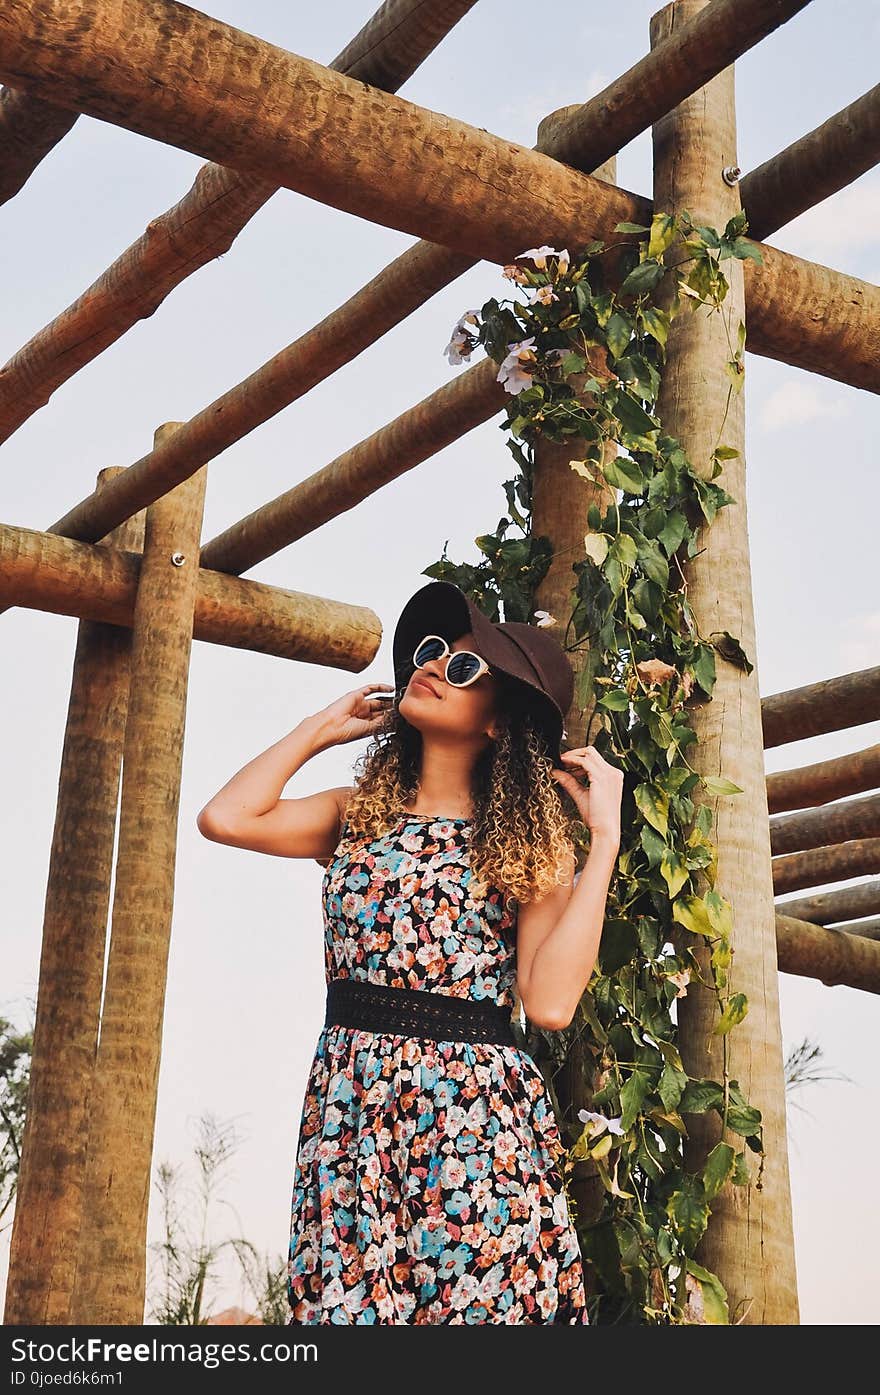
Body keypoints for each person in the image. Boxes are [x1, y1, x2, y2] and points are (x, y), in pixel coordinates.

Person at [197, 579, 623, 1324]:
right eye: (431, 653)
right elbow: (225, 816)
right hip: (351, 1109)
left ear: (498, 721)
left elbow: (550, 1004)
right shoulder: (353, 816)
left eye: (464, 669)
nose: (432, 667)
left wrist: (606, 843)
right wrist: (319, 727)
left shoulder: (525, 845)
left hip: (474, 1121)